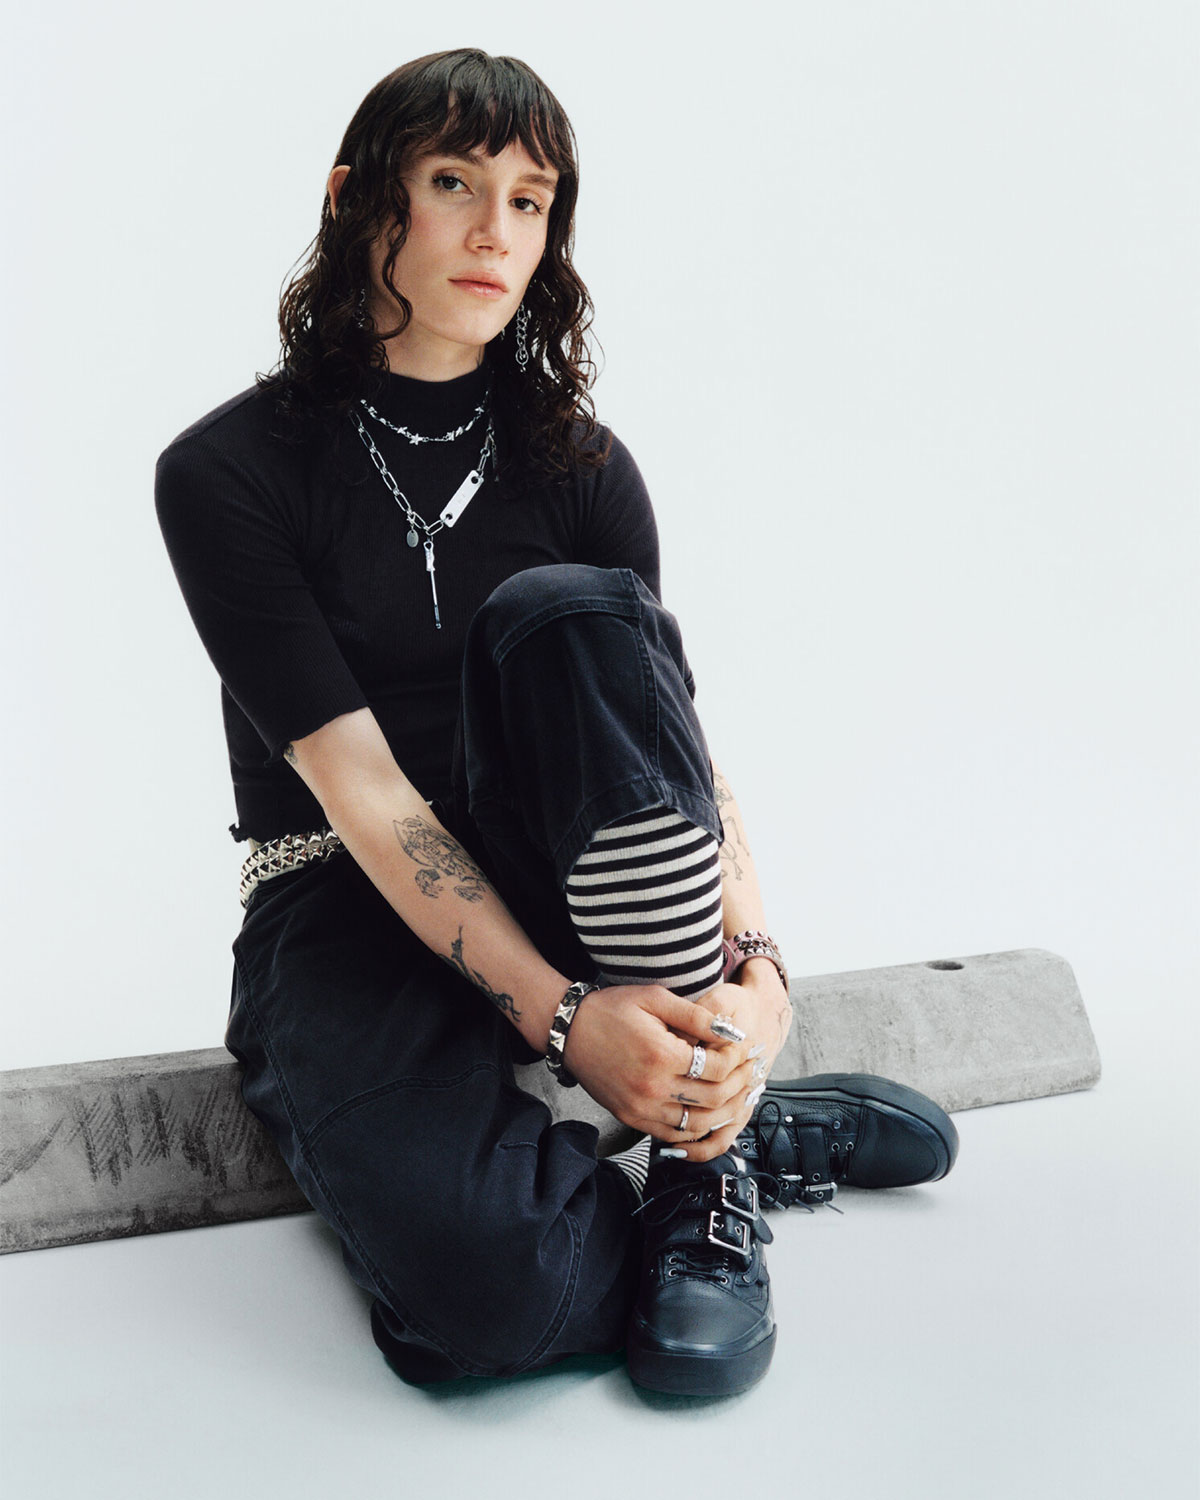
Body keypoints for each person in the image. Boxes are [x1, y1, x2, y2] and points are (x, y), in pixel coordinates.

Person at [154, 48, 958, 1397]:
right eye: (454, 184)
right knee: (489, 1310)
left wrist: (758, 979)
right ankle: (711, 1145)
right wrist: (571, 1023)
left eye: (529, 201)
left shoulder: (583, 468)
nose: (494, 233)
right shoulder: (227, 471)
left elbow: (672, 762)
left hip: (568, 870)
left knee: (574, 612)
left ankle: (703, 1163)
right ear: (357, 199)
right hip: (344, 894)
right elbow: (363, 790)